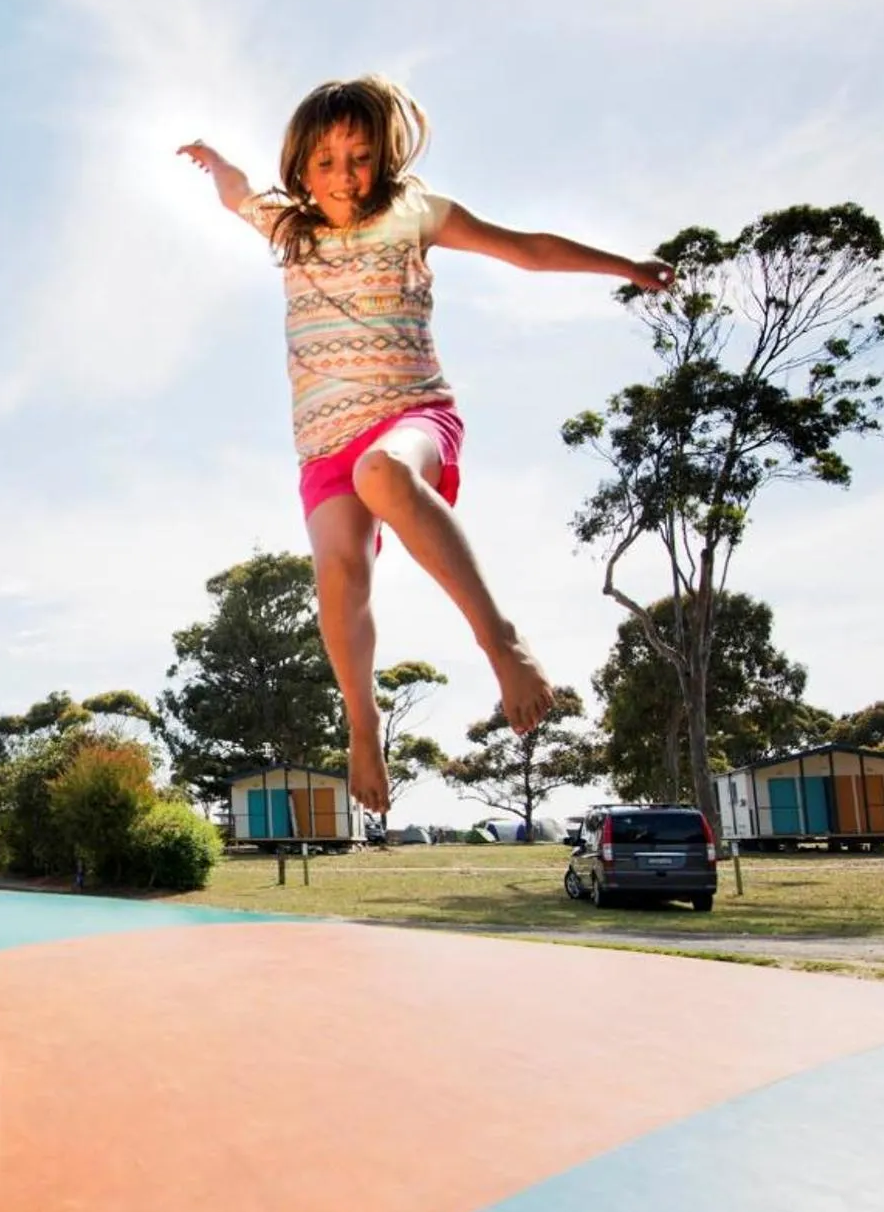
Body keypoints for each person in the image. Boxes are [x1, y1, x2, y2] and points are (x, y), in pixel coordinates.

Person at [180, 78, 673, 812]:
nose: (344, 177)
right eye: (326, 162)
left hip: (410, 415)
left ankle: (501, 642)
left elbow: (524, 249)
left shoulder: (414, 214)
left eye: (360, 158)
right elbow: (236, 191)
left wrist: (626, 267)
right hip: (322, 445)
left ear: (385, 157)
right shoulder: (288, 228)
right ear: (301, 166)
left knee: (382, 473)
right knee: (338, 575)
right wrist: (214, 159)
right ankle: (362, 723)